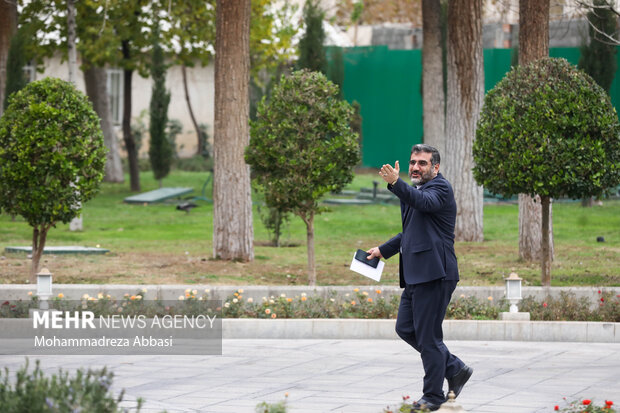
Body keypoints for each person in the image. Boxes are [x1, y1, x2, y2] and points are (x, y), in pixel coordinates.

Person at [366, 144, 472, 412]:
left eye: (422, 163)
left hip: (436, 274)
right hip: (417, 275)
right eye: (413, 162)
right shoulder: (416, 192)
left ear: (435, 168)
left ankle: (433, 396)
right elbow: (409, 232)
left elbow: (424, 203)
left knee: (429, 338)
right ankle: (454, 368)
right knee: (405, 328)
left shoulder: (440, 189)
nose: (415, 167)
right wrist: (383, 251)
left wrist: (395, 184)